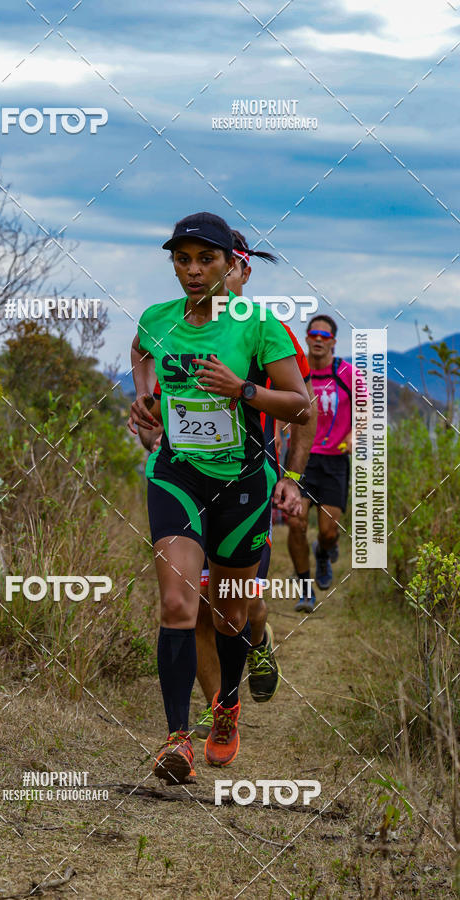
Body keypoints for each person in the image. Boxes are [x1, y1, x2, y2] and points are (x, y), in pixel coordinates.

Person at [129, 211, 311, 784]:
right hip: (177, 474)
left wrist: (244, 390)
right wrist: (145, 404)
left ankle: (226, 708)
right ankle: (177, 739)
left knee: (231, 618)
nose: (193, 270)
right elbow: (140, 351)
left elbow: (301, 404)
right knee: (180, 606)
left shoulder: (258, 326)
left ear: (232, 265)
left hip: (242, 484)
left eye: (206, 259)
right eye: (182, 259)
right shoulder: (159, 320)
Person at [286, 314, 366, 601]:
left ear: (333, 341)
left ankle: (323, 552)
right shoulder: (295, 371)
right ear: (306, 338)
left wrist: (353, 436)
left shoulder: (346, 374)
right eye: (313, 334)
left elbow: (365, 409)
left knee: (329, 532)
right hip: (301, 458)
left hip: (334, 461)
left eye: (325, 336)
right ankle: (305, 588)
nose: (318, 339)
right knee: (295, 522)